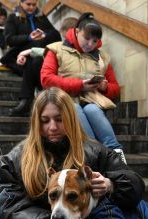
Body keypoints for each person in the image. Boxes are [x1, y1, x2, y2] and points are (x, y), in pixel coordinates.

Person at [0, 88, 148, 219]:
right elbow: (7, 207)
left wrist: (111, 184)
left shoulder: (96, 151)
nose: (52, 127)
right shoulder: (15, 160)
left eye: (59, 119)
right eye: (44, 121)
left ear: (71, 119)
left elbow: (134, 184)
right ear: (35, 122)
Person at [40, 12, 126, 162]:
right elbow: (46, 79)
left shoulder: (102, 57)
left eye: (95, 41)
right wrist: (80, 85)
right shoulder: (56, 49)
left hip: (92, 101)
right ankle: (94, 155)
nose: (90, 44)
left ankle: (117, 155)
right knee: (75, 108)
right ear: (77, 31)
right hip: (64, 101)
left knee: (92, 109)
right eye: (87, 38)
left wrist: (103, 87)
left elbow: (115, 89)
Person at [1, 0, 60, 116]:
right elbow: (9, 39)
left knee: (36, 60)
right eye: (28, 4)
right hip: (18, 57)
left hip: (37, 57)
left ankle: (26, 101)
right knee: (34, 60)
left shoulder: (41, 17)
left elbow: (56, 36)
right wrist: (28, 37)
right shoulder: (13, 18)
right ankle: (41, 98)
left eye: (34, 5)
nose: (31, 7)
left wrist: (45, 35)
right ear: (21, 3)